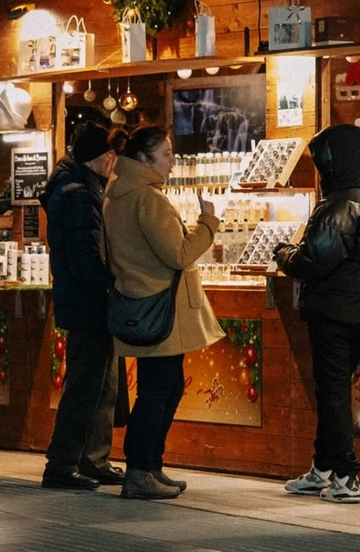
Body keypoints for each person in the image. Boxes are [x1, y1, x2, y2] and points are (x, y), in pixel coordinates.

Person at [274, 123, 360, 505]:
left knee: (332, 392)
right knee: (335, 389)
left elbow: (312, 260)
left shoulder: (338, 205)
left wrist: (282, 253)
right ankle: (324, 467)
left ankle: (345, 473)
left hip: (333, 310)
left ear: (334, 162)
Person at [103, 126, 224, 500]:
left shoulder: (116, 195)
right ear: (144, 159)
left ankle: (150, 467)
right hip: (162, 311)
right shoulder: (149, 199)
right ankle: (140, 470)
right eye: (167, 154)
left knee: (162, 389)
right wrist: (208, 222)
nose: (172, 162)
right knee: (159, 392)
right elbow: (178, 254)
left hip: (138, 303)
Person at [39, 122, 126, 491]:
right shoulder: (78, 194)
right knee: (84, 386)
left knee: (102, 385)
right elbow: (84, 257)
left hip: (87, 302)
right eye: (113, 156)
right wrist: (112, 284)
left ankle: (93, 459)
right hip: (87, 303)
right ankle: (62, 463)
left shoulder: (78, 187)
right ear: (105, 158)